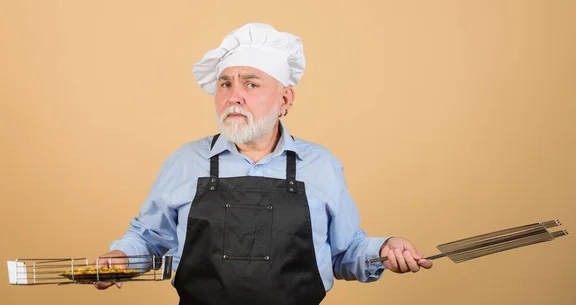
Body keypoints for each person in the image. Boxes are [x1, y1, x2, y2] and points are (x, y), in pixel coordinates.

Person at [93, 22, 433, 304]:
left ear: (285, 98)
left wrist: (385, 248)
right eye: (225, 83)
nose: (234, 95)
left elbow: (346, 252)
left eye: (251, 84)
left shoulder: (320, 166)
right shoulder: (186, 162)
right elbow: (148, 238)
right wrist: (121, 259)